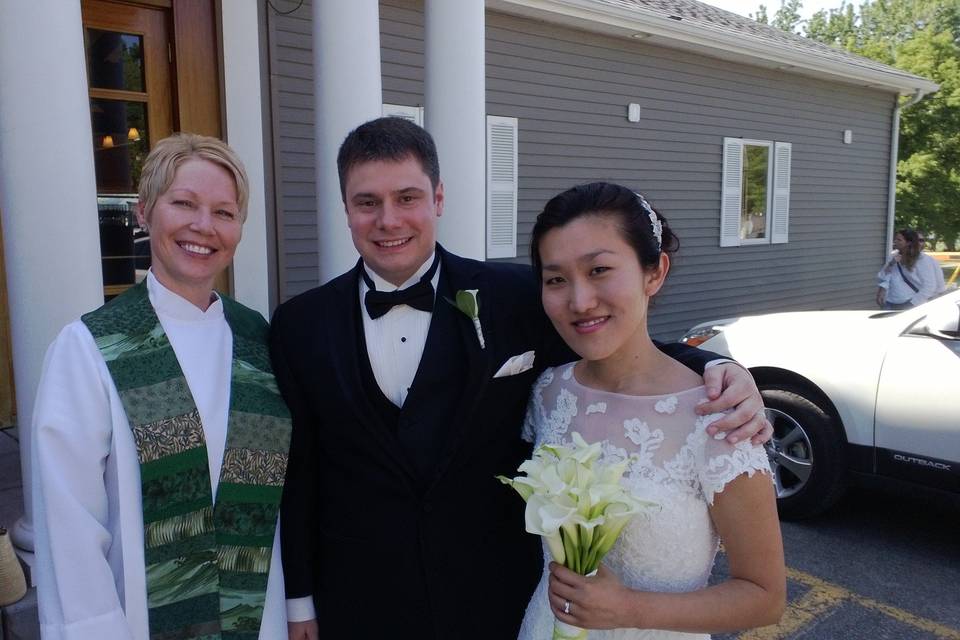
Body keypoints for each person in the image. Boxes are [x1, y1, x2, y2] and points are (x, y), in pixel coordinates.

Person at [269, 117, 772, 640]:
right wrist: (300, 599)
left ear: (438, 198)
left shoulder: (518, 294)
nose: (389, 219)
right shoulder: (299, 325)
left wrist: (715, 366)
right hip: (359, 600)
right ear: (346, 208)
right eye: (368, 202)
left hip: (495, 597)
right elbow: (301, 469)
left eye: (408, 197)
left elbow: (608, 336)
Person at [32, 133, 291, 639]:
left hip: (263, 616)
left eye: (224, 211)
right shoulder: (90, 348)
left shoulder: (261, 340)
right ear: (144, 211)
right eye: (184, 204)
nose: (203, 226)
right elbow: (70, 525)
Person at [518, 183, 785, 640]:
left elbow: (764, 596)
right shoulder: (547, 392)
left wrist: (629, 609)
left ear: (654, 272)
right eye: (556, 279)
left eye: (599, 269)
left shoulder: (720, 417)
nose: (579, 301)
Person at [877, 228, 940, 309]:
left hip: (909, 303)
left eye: (899, 240)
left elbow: (930, 286)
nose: (895, 241)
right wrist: (881, 291)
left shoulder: (922, 260)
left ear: (908, 242)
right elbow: (882, 277)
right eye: (895, 239)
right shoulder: (893, 255)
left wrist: (912, 304)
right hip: (889, 302)